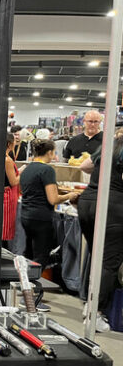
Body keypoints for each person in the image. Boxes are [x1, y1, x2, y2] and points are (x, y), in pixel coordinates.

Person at [20, 139, 81, 308]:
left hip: (26, 215)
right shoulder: (47, 170)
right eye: (54, 152)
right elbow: (53, 198)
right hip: (41, 217)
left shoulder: (28, 168)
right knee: (41, 256)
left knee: (29, 254)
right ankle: (30, 297)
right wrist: (69, 196)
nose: (54, 156)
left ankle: (26, 289)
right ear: (49, 153)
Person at [77, 128, 123, 332]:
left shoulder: (109, 146)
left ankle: (90, 304)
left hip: (88, 200)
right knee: (109, 261)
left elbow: (85, 166)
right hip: (111, 205)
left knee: (97, 256)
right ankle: (96, 313)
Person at [3, 133, 21, 244]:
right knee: (5, 227)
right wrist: (23, 173)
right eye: (14, 141)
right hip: (7, 196)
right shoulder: (7, 160)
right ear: (9, 144)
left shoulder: (4, 157)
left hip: (6, 195)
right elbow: (13, 181)